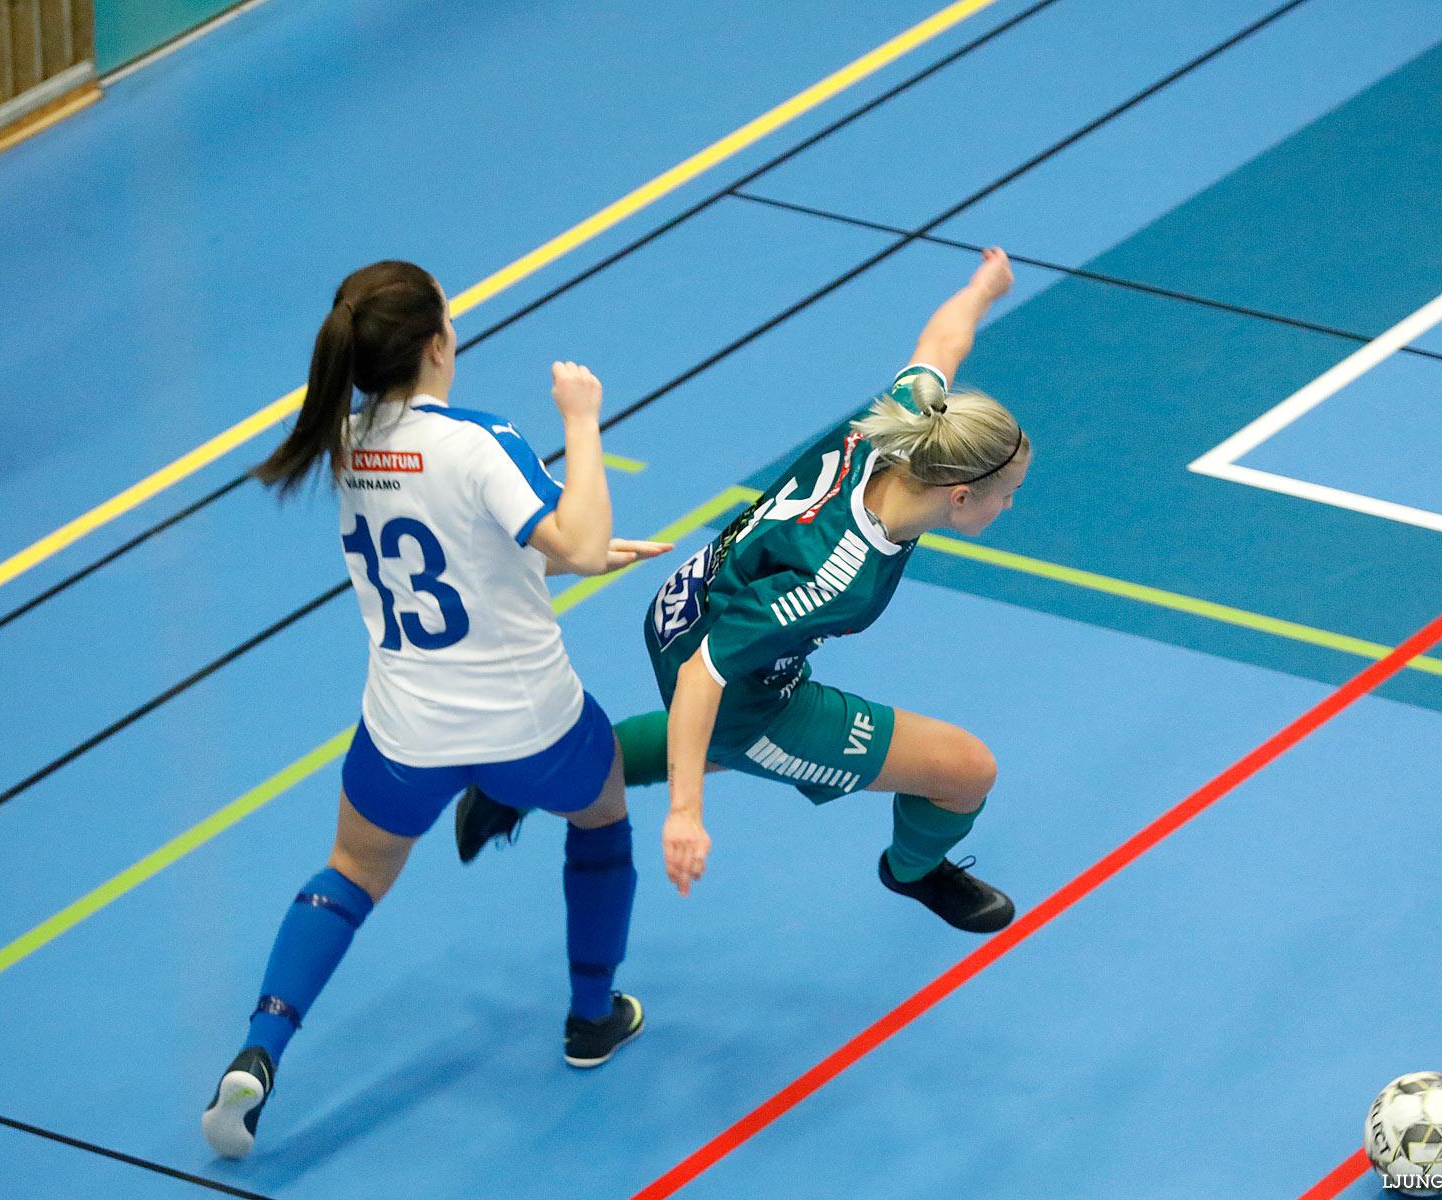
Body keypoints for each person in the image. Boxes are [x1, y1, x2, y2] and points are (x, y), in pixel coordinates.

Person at [202, 260, 670, 1159]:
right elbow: (563, 536)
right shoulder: (479, 439)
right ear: (436, 344)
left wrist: (573, 555)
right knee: (604, 812)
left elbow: (482, 545)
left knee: (349, 870)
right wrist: (581, 420)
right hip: (530, 723)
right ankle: (589, 1016)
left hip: (404, 730)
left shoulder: (343, 444)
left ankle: (259, 1052)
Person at [614, 248, 1028, 932]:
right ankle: (914, 870)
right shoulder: (836, 577)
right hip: (735, 685)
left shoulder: (909, 422)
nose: (1008, 507)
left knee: (712, 747)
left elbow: (939, 343)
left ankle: (544, 776)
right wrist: (684, 813)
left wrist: (983, 288)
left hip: (685, 600)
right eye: (1005, 496)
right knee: (964, 772)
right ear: (959, 496)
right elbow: (703, 675)